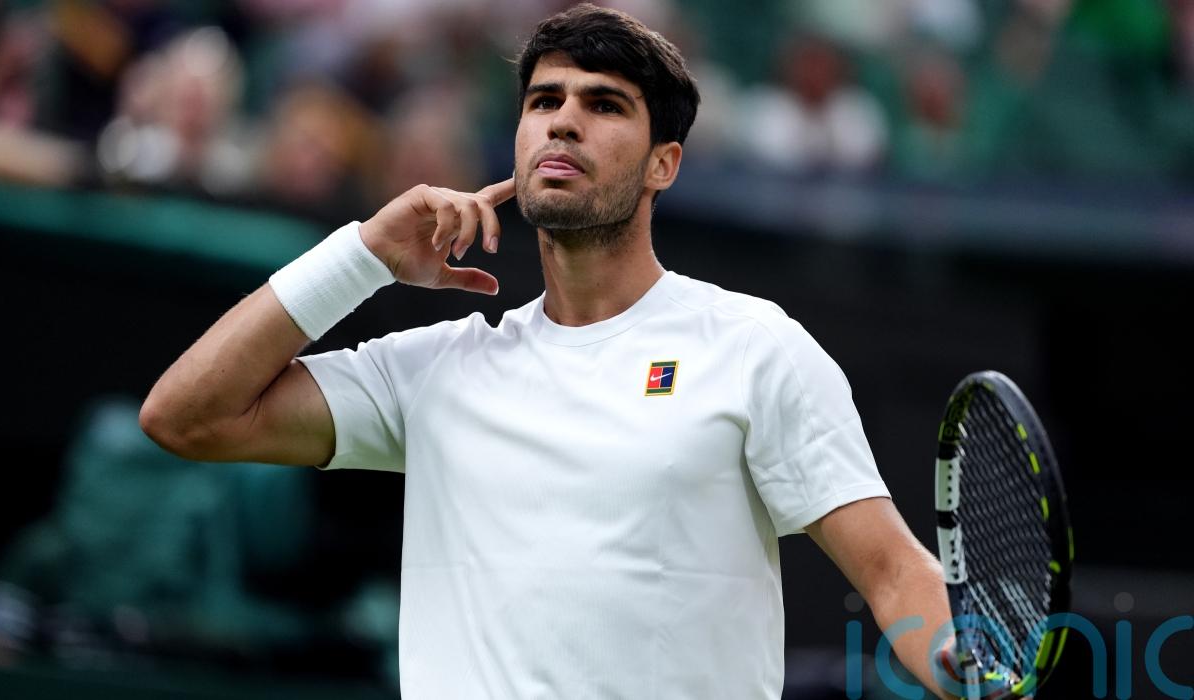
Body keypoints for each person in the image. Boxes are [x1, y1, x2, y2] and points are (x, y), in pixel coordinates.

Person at [140, 5, 1020, 699]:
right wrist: (363, 255)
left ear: (664, 164)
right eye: (544, 102)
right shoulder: (437, 368)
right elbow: (188, 416)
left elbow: (892, 570)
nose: (563, 123)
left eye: (604, 106)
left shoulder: (756, 349)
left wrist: (958, 659)